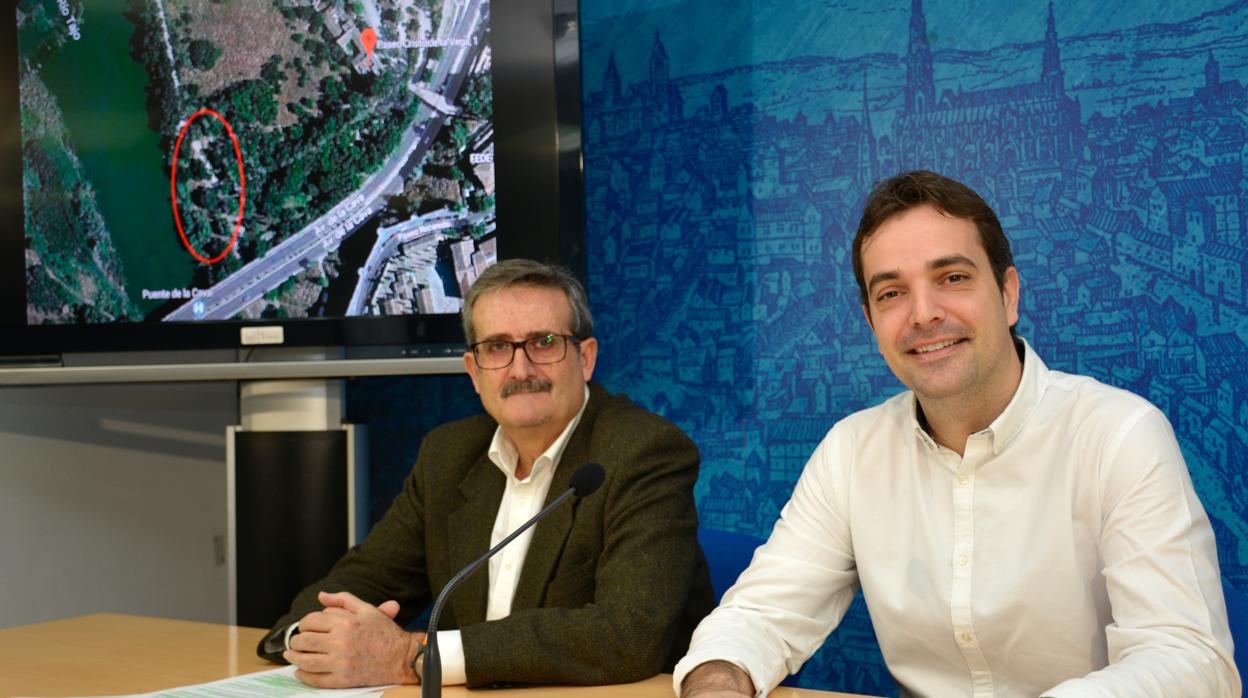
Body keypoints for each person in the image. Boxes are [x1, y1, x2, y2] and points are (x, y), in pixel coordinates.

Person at [675, 171, 1239, 697]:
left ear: (1008, 294)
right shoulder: (851, 452)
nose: (923, 314)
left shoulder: (1119, 435)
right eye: (891, 292)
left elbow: (1188, 658)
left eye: (953, 278)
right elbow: (760, 615)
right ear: (871, 323)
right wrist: (720, 678)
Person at [259, 259, 714, 689]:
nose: (521, 369)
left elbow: (627, 634)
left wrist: (412, 657)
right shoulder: (449, 454)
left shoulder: (644, 452)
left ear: (586, 358)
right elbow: (366, 579)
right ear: (474, 372)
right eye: (497, 347)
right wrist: (313, 636)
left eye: (544, 343)